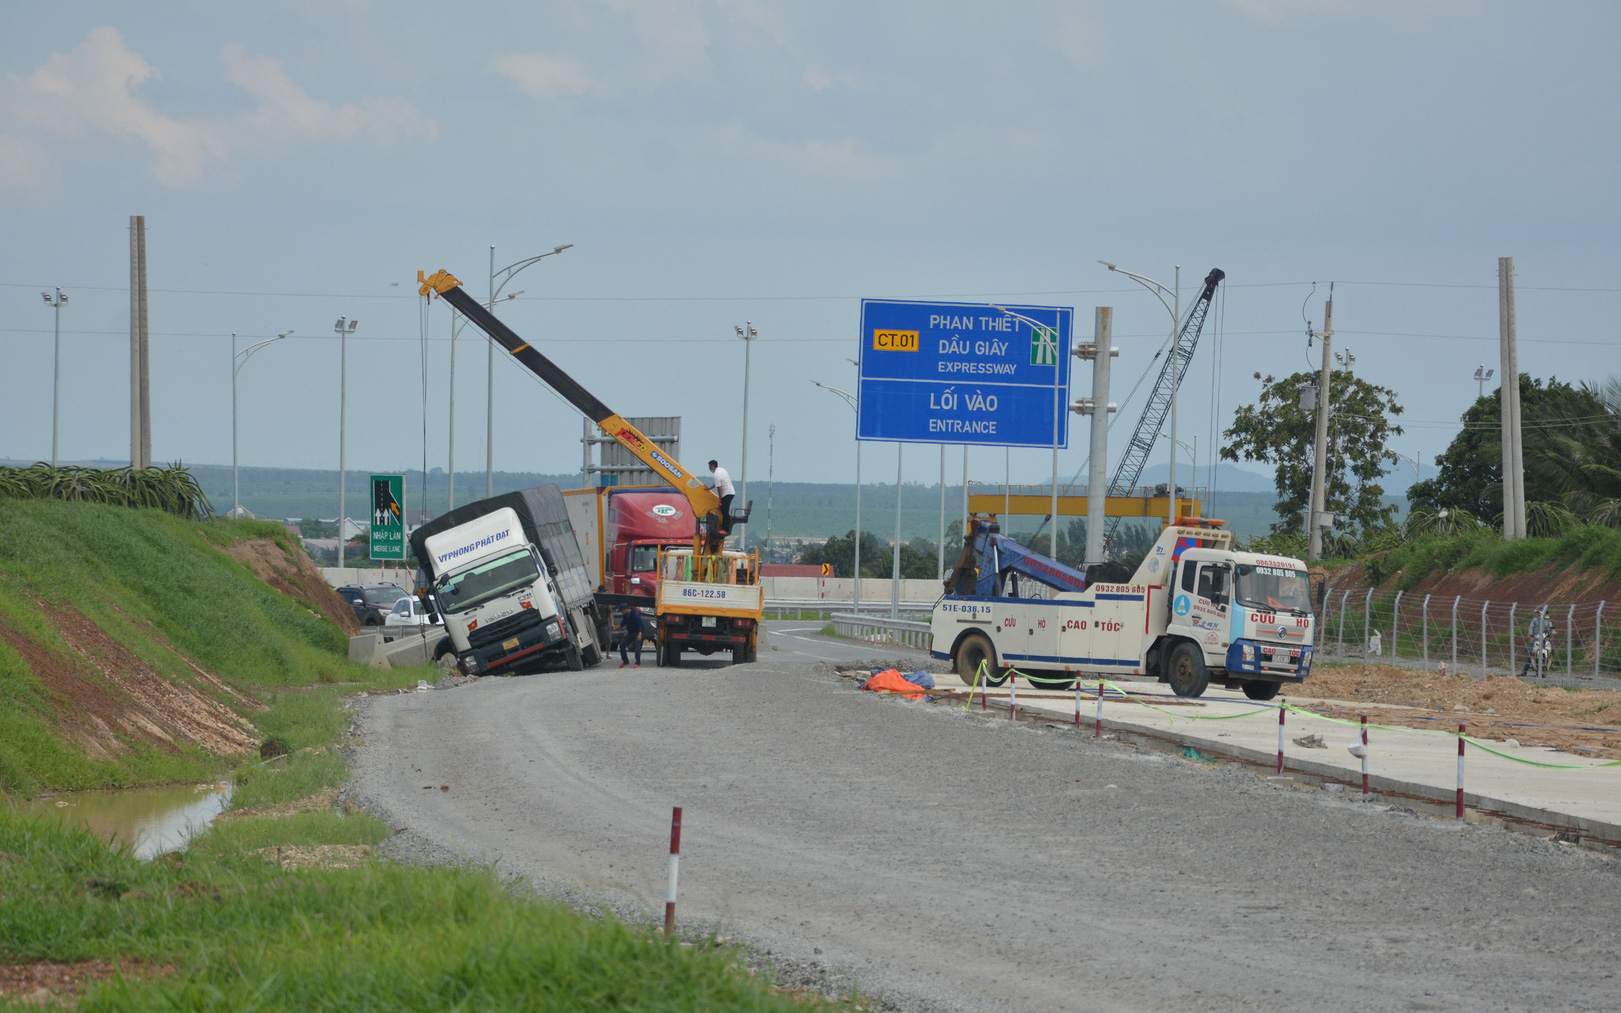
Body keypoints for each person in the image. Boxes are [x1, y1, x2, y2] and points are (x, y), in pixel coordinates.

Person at [1521, 606, 1554, 678]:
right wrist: (1530, 634)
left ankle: (1550, 664)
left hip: (1545, 640)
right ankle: (1524, 670)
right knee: (1531, 653)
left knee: (1552, 650)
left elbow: (1552, 630)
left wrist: (1552, 633)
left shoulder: (1548, 622)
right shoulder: (1535, 621)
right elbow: (1531, 628)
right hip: (1535, 639)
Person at [615, 601, 645, 669]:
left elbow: (640, 626)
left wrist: (640, 635)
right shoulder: (625, 615)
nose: (621, 612)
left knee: (637, 647)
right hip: (630, 632)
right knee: (622, 645)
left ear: (626, 609)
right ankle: (625, 661)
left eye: (622, 610)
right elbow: (623, 623)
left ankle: (637, 663)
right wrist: (617, 627)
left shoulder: (635, 615)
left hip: (637, 632)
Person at [708, 460, 735, 534]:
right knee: (723, 510)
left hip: (726, 494)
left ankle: (725, 529)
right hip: (731, 492)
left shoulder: (716, 475)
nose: (709, 468)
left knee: (724, 512)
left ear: (712, 466)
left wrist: (720, 499)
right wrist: (710, 488)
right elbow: (717, 483)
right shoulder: (722, 470)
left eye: (709, 466)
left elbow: (719, 488)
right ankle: (723, 527)